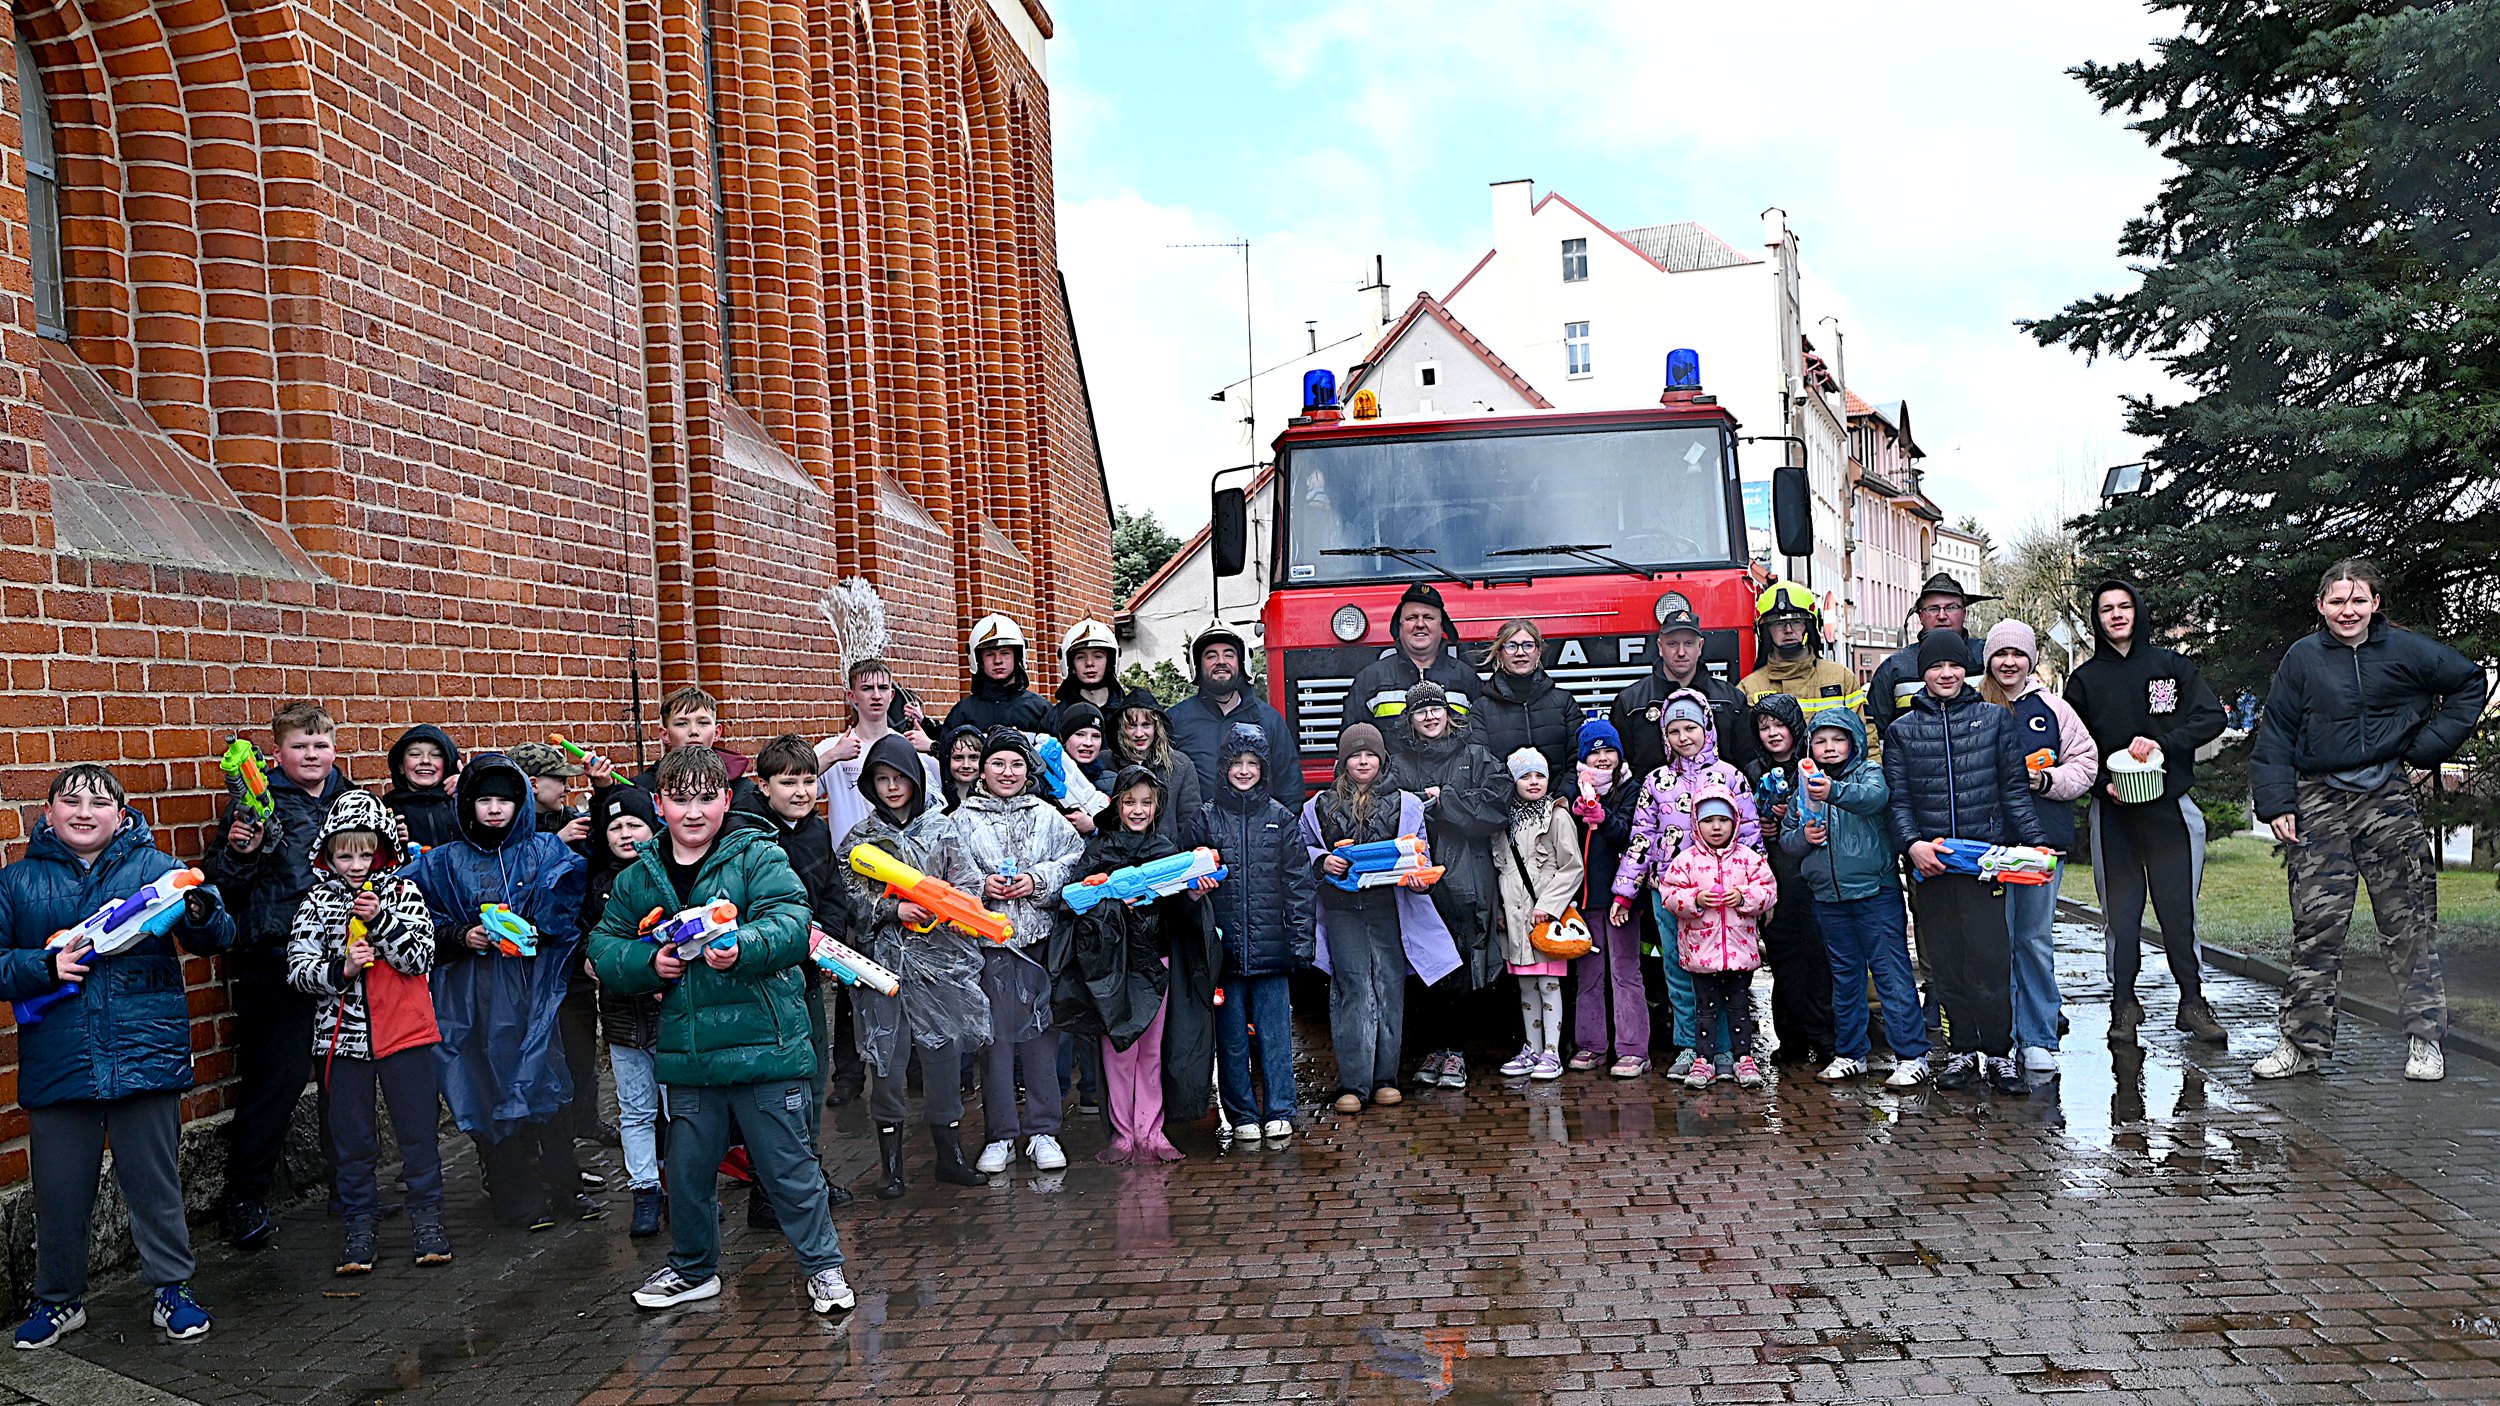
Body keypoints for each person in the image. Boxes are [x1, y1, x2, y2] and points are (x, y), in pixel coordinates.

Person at [587, 746, 853, 1315]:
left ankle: (824, 1267)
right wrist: (645, 966)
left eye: (706, 798)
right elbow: (604, 944)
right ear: (659, 804)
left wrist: (745, 948)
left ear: (726, 800)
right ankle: (693, 1269)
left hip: (766, 1041)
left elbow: (792, 920)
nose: (693, 812)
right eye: (679, 799)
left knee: (789, 1165)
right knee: (686, 1172)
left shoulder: (758, 855)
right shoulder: (641, 874)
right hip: (689, 1051)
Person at [3, 766, 230, 1348]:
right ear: (48, 812)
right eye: (70, 800)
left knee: (154, 1185)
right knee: (58, 1193)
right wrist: (42, 968)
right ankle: (57, 1301)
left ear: (122, 816)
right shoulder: (17, 882)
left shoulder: (157, 870)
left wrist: (203, 911)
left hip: (144, 1052)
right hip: (60, 1057)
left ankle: (171, 1290)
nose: (84, 812)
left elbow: (216, 936)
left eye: (99, 802)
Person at [2248, 558, 2489, 1083]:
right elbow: (2276, 735)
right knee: (2316, 928)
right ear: (2321, 606)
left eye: (2358, 600)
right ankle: (2301, 1044)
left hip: (2385, 798)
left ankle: (2426, 1040)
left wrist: (2429, 747)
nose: (2347, 610)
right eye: (2336, 601)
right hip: (2317, 800)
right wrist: (2278, 803)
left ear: (2375, 604)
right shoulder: (2303, 659)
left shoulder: (2406, 651)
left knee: (2409, 921)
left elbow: (2471, 682)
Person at [408, 751, 595, 1229]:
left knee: (549, 1085)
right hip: (474, 994)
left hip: (538, 990)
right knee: (486, 1085)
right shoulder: (445, 861)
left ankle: (564, 1184)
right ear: (467, 804)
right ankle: (516, 1192)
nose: (494, 810)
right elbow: (418, 916)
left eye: (504, 800)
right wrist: (461, 936)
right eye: (484, 800)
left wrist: (536, 929)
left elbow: (571, 903)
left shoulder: (544, 850)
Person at [202, 698, 357, 1250]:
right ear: (276, 752)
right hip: (276, 958)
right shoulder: (255, 804)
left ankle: (351, 1188)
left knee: (345, 1079)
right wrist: (243, 851)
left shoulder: (354, 800)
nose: (311, 754)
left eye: (320, 745)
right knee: (278, 1080)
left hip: (344, 959)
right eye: (299, 746)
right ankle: (244, 1198)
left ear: (334, 749)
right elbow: (221, 880)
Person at [285, 790, 448, 1275]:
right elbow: (297, 970)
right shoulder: (315, 903)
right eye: (344, 853)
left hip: (406, 1034)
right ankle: (359, 1229)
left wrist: (381, 923)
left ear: (381, 850)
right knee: (352, 1141)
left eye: (364, 852)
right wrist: (341, 971)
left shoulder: (404, 893)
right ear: (328, 853)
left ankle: (429, 1224)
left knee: (418, 1135)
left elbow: (420, 957)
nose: (355, 864)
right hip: (342, 1040)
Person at [2062, 577, 2229, 1044]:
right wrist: (2101, 784)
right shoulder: (2085, 680)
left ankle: (2192, 1002)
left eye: (2124, 606)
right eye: (2106, 609)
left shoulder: (2170, 667)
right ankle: (2123, 1005)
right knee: (2121, 915)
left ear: (2138, 611)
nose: (2116, 615)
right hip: (2113, 816)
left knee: (2178, 912)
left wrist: (2164, 743)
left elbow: (2212, 716)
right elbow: (2071, 747)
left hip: (2169, 811)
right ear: (2096, 619)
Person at [1884, 631, 2049, 1095]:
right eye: (1936, 667)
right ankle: (1961, 1050)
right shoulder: (1902, 731)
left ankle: (1998, 1053)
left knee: (1991, 959)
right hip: (1931, 866)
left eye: (1954, 666)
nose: (1946, 674)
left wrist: (2034, 842)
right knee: (1946, 963)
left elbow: (2013, 792)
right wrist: (1912, 844)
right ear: (1924, 672)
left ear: (1966, 670)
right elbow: (1899, 801)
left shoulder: (1994, 720)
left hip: (1984, 864)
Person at [837, 733, 993, 1197]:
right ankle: (892, 1165)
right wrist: (891, 911)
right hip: (880, 966)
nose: (891, 788)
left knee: (942, 1054)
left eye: (899, 778)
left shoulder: (942, 830)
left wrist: (950, 911)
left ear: (915, 780)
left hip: (939, 962)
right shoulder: (860, 839)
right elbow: (847, 895)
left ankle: (950, 1154)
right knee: (886, 1059)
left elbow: (967, 884)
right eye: (881, 779)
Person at [727, 735, 860, 1207]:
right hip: (763, 981)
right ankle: (769, 1188)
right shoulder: (745, 836)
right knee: (771, 1088)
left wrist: (826, 936)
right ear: (764, 786)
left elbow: (831, 893)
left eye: (809, 780)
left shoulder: (816, 831)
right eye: (788, 782)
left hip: (805, 976)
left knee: (811, 1074)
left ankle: (808, 1173)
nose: (801, 791)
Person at [1304, 724, 1458, 1114]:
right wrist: (1323, 861)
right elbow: (1300, 850)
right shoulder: (1318, 805)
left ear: (1381, 758)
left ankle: (1386, 1078)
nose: (1363, 761)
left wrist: (1419, 880)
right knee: (1353, 988)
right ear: (1343, 761)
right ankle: (1353, 1084)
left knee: (1389, 987)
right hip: (1341, 910)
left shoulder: (1407, 804)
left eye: (1370, 754)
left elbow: (1420, 853)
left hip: (1389, 906)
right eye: (1355, 755)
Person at [1609, 689, 1760, 1079]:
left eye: (1690, 727)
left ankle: (1725, 1051)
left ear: (1706, 727)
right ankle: (1690, 1046)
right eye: (1674, 730)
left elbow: (1750, 838)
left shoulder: (1730, 777)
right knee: (1678, 969)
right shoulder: (1656, 781)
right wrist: (1625, 892)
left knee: (1723, 972)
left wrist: (1756, 893)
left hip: (1724, 894)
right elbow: (1641, 837)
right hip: (1669, 893)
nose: (1683, 737)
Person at [951, 729, 1084, 1175]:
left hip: (1037, 942)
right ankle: (1001, 1134)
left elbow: (1075, 858)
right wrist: (978, 887)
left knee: (1042, 1039)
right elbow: (945, 873)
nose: (1007, 773)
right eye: (997, 764)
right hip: (988, 946)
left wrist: (1039, 880)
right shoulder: (961, 820)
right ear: (982, 769)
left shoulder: (1047, 816)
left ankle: (1044, 1129)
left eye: (1016, 764)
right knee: (995, 1043)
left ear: (1028, 770)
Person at [1783, 708, 1931, 1086]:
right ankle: (1850, 1052)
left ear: (1853, 742)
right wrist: (1804, 838)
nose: (1829, 748)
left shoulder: (1868, 772)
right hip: (1828, 897)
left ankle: (1912, 1054)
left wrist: (1834, 792)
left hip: (1873, 891)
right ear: (1809, 746)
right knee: (1844, 977)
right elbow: (1787, 838)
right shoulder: (1800, 784)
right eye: (1820, 741)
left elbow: (1874, 799)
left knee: (1890, 973)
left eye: (1838, 739)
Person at [1979, 620, 2100, 1075]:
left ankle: (2037, 1035)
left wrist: (2045, 781)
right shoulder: (1975, 705)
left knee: (2032, 940)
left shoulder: (2053, 709)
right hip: (1986, 847)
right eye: (1999, 654)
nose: (2008, 663)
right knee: (1994, 943)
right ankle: (1997, 1036)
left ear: (2030, 659)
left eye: (2017, 654)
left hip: (2040, 845)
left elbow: (2085, 763)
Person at [1187, 723, 1316, 1141]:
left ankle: (1280, 1107)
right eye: (1237, 763)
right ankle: (1242, 1113)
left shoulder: (1280, 819)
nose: (1244, 771)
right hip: (1223, 951)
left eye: (1252, 764)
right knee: (1231, 1041)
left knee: (1276, 1036)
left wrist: (1301, 941)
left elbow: (1298, 884)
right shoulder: (1205, 819)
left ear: (1264, 768)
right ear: (1224, 767)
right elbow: (1186, 881)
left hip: (1271, 949)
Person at [1060, 768, 1193, 1164]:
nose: (1138, 810)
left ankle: (1151, 1129)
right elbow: (1077, 906)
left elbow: (1182, 905)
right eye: (1130, 802)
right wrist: (1109, 901)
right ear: (1117, 805)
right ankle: (1122, 1134)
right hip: (1112, 965)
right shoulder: (1098, 851)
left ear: (1157, 808)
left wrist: (1194, 893)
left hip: (1156, 957)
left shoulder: (1166, 849)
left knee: (1152, 1049)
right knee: (1118, 1048)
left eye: (1146, 803)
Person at [1384, 680, 1509, 1091]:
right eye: (1420, 711)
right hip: (1417, 878)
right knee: (1423, 964)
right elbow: (1388, 805)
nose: (1430, 717)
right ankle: (1433, 1048)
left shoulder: (1476, 755)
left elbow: (1497, 806)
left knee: (1462, 961)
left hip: (1468, 875)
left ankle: (1454, 1052)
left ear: (1448, 713)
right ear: (1410, 718)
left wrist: (1445, 800)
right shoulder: (1397, 761)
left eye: (1436, 709)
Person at [510, 739, 602, 1149]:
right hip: (533, 961)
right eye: (557, 780)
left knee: (582, 1046)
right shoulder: (515, 828)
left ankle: (588, 1120)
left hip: (574, 950)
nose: (566, 787)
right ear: (531, 784)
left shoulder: (572, 818)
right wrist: (556, 842)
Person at [584, 783, 668, 1236]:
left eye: (634, 823)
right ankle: (645, 1189)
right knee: (635, 1109)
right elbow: (585, 930)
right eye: (615, 826)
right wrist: (589, 953)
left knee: (678, 1108)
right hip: (619, 1019)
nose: (624, 833)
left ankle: (684, 1185)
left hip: (666, 1015)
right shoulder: (596, 881)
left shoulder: (666, 875)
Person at [1660, 787, 1776, 1089]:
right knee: (1705, 1008)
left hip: (1739, 951)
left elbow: (1769, 891)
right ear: (1696, 824)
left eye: (1723, 821)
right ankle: (1703, 1059)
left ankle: (1743, 1058)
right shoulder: (1685, 860)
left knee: (1739, 1007)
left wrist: (1744, 897)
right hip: (1701, 953)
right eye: (1708, 821)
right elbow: (1669, 895)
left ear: (1735, 822)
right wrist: (1696, 899)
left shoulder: (1749, 859)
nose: (1716, 827)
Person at [1745, 693, 1834, 1068]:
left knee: (1819, 958)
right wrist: (1762, 824)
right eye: (1764, 727)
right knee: (1783, 961)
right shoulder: (1751, 769)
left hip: (1813, 878)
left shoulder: (1813, 765)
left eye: (1779, 725)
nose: (1772, 733)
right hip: (1774, 878)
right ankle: (1791, 1038)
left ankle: (1825, 1037)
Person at [1491, 748, 1584, 1082]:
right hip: (1515, 919)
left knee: (1549, 984)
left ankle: (1551, 1051)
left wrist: (1548, 906)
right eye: (1526, 776)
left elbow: (1572, 867)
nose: (1533, 782)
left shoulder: (1557, 816)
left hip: (1544, 920)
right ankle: (1531, 1046)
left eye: (1539, 776)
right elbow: (1499, 865)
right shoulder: (1504, 820)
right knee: (1526, 984)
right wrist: (1500, 910)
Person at [1566, 720, 1649, 1077]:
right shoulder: (1570, 789)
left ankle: (1633, 1049)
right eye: (1595, 752)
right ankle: (1590, 1044)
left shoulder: (1631, 788)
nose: (1603, 758)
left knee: (1625, 972)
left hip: (1620, 897)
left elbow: (1632, 838)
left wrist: (1603, 818)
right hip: (1584, 899)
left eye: (1608, 751)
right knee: (1588, 976)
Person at [1166, 620, 1303, 808]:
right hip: (1197, 834)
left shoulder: (1269, 720)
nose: (1220, 661)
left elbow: (1290, 785)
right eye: (1211, 656)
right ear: (1197, 664)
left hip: (1260, 835)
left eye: (1229, 655)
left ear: (1242, 663)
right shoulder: (1176, 720)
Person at [1608, 607, 1754, 779]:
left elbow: (1747, 763)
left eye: (1689, 643)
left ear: (1700, 646)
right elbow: (1621, 769)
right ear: (1660, 647)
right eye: (1672, 644)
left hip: (1719, 800)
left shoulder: (1731, 700)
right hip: (1650, 803)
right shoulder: (1630, 703)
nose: (1681, 652)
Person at [1737, 580, 1871, 741]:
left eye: (1796, 622)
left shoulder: (1841, 678)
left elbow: (1866, 739)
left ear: (1809, 626)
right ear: (1765, 631)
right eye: (1779, 623)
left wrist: (1872, 767)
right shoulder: (1748, 689)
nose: (1788, 630)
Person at [1866, 572, 1992, 736]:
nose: (1942, 616)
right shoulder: (1894, 669)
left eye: (1951, 607)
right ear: (1920, 616)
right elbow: (1876, 734)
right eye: (1933, 609)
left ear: (1964, 613)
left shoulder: (1988, 657)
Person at [1346, 582, 1483, 727]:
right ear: (1399, 627)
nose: (1420, 624)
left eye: (1428, 617)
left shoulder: (1467, 679)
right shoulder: (1370, 680)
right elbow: (1352, 741)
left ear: (1442, 626)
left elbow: (1481, 738)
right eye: (1411, 617)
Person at [1470, 618, 1586, 783]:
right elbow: (1481, 764)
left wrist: (1562, 800)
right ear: (1499, 654)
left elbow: (1579, 758)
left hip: (1558, 804)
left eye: (1528, 645)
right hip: (1503, 804)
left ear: (1538, 652)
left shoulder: (1564, 703)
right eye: (1511, 646)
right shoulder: (1481, 709)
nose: (1520, 652)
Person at [1108, 697, 1205, 845]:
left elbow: (1190, 821)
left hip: (1167, 858)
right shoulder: (1106, 763)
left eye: (1146, 725)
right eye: (1132, 726)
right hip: (1118, 858)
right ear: (1122, 729)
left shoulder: (1180, 764)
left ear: (1156, 727)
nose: (1139, 733)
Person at [941, 615, 1053, 736]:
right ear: (979, 660)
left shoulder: (1040, 710)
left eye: (1005, 653)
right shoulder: (963, 713)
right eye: (989, 654)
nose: (998, 661)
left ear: (1017, 657)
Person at [634, 685, 751, 788]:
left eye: (703, 723)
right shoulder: (642, 790)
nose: (693, 731)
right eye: (682, 724)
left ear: (716, 733)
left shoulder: (742, 791)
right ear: (665, 734)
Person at [1049, 617, 1154, 727]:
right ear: (1070, 664)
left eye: (1098, 656)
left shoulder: (1129, 714)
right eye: (1081, 657)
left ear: (1110, 661)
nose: (1089, 663)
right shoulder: (1056, 718)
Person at [382, 724, 463, 852]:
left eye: (435, 755)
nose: (425, 761)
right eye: (415, 754)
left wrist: (472, 789)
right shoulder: (386, 808)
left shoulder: (462, 801)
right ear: (401, 766)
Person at [512, 741, 592, 849]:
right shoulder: (510, 827)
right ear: (533, 785)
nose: (568, 789)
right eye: (562, 781)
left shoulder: (569, 819)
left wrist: (603, 787)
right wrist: (557, 841)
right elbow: (520, 862)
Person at [938, 722, 986, 812]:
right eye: (958, 758)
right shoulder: (937, 802)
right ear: (947, 760)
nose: (966, 765)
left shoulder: (993, 803)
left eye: (973, 757)